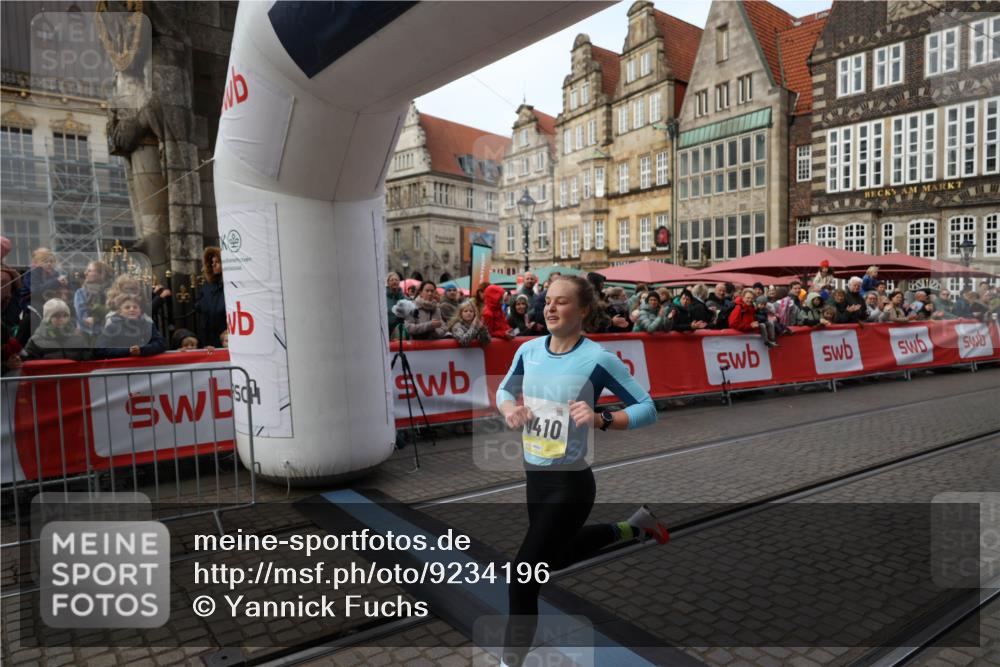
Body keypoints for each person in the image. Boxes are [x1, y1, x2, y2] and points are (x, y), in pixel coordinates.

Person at [495, 276, 665, 667]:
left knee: (522, 576)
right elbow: (505, 390)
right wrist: (510, 410)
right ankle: (632, 527)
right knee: (556, 555)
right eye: (548, 301)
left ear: (584, 310)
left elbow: (648, 407)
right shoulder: (529, 349)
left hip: (571, 485)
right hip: (534, 479)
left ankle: (511, 662)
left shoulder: (598, 359)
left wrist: (603, 418)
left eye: (562, 302)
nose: (550, 308)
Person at [94, 294, 167, 359]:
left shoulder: (147, 324)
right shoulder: (111, 327)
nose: (132, 309)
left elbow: (161, 343)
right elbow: (100, 350)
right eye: (127, 307)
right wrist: (128, 351)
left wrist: (142, 350)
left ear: (140, 310)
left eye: (135, 307)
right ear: (120, 311)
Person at [22, 299, 91, 361]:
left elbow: (89, 360)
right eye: (56, 316)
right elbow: (27, 361)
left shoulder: (78, 338)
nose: (62, 319)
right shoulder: (36, 340)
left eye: (65, 316)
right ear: (47, 319)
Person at [195, 246, 226, 348]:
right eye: (212, 262)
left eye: (217, 261)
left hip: (224, 333)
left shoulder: (229, 284)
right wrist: (202, 306)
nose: (213, 264)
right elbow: (198, 303)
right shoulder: (208, 284)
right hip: (207, 333)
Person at [74, 260, 112, 338]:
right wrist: (87, 318)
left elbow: (113, 311)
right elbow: (82, 314)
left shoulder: (111, 291)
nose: (85, 273)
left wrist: (95, 318)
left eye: (90, 270)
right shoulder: (81, 292)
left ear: (101, 274)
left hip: (106, 333)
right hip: (86, 333)